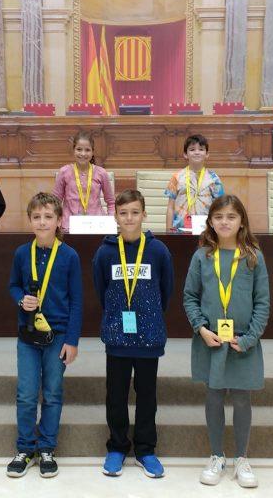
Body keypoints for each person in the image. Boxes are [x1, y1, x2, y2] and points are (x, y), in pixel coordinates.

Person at [183, 194, 270, 489]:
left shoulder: (253, 257)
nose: (224, 222)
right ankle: (216, 455)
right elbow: (190, 297)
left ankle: (241, 458)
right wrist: (201, 328)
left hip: (242, 342)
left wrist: (249, 338)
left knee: (242, 398)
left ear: (242, 221)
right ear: (210, 221)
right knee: (214, 395)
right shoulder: (202, 256)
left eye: (231, 217)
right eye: (218, 217)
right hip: (211, 341)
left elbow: (263, 302)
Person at [92, 189, 173, 479]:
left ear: (144, 215)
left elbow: (166, 291)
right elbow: (101, 289)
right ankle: (117, 446)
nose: (129, 218)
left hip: (149, 337)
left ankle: (145, 449)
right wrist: (117, 316)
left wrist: (148, 317)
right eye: (123, 213)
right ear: (115, 216)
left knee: (147, 396)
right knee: (116, 395)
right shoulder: (105, 252)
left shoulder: (158, 251)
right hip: (118, 337)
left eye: (135, 212)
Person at [6, 192, 83, 479]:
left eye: (48, 217)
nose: (42, 222)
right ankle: (25, 448)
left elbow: (76, 301)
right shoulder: (21, 253)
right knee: (26, 394)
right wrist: (20, 299)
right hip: (27, 335)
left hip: (58, 336)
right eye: (36, 217)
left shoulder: (69, 256)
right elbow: (14, 285)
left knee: (52, 392)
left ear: (59, 220)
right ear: (30, 220)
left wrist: (72, 341)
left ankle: (47, 447)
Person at [52, 130, 115, 232]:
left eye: (87, 150)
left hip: (97, 225)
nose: (83, 153)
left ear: (93, 152)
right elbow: (55, 202)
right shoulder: (64, 172)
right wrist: (57, 223)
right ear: (73, 150)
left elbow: (111, 202)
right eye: (79, 149)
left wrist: (110, 222)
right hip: (69, 226)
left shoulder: (101, 173)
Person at [165, 134, 225, 232]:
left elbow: (220, 207)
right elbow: (170, 207)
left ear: (207, 154)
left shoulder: (214, 179)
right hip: (179, 231)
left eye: (201, 149)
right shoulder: (177, 177)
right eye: (192, 149)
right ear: (185, 154)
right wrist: (168, 231)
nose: (197, 152)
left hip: (206, 230)